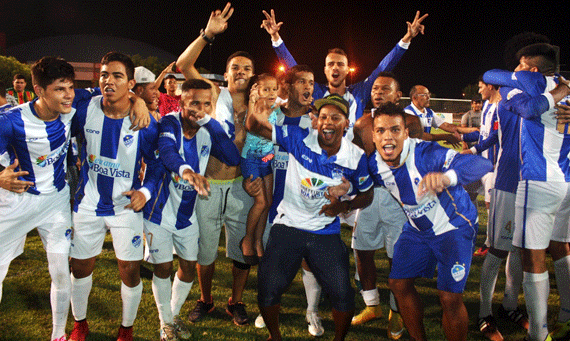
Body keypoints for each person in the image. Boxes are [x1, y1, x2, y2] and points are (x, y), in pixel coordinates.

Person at [247, 93, 374, 341]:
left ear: (346, 123)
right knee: (267, 289)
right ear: (316, 121)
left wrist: (342, 207)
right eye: (323, 116)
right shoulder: (297, 138)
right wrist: (264, 105)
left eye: (335, 117)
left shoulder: (355, 157)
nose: (328, 122)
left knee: (343, 295)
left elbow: (367, 195)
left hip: (324, 231)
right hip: (289, 225)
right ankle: (275, 336)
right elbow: (253, 125)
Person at [368, 102, 493, 341]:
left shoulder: (427, 153)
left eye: (395, 130)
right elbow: (358, 183)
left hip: (453, 227)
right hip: (417, 230)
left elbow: (483, 164)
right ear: (373, 135)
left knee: (448, 297)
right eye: (381, 130)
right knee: (398, 283)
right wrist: (345, 189)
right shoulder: (374, 163)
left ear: (406, 133)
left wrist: (447, 177)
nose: (388, 137)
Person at [68, 52, 160, 341]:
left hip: (125, 208)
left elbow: (157, 165)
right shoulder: (85, 106)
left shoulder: (144, 123)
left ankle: (126, 329)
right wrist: (138, 98)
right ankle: (80, 324)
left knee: (130, 271)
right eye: (105, 74)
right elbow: (63, 92)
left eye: (117, 76)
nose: (108, 80)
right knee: (80, 267)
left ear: (130, 83)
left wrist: (145, 192)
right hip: (88, 204)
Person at [483, 43, 570, 341]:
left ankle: (538, 332)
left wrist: (550, 93)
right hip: (566, 180)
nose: (513, 71)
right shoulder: (565, 85)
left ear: (531, 70)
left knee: (533, 257)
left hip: (537, 179)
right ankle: (567, 316)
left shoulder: (529, 83)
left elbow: (494, 76)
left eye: (519, 65)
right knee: (561, 247)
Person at [175, 3, 254, 326]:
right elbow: (183, 64)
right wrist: (208, 34)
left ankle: (235, 302)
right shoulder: (212, 93)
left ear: (252, 75)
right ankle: (205, 299)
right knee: (205, 252)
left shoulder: (261, 102)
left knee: (241, 252)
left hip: (241, 187)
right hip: (208, 185)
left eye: (247, 68)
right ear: (225, 74)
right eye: (235, 67)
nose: (240, 72)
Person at [143, 79, 240, 341]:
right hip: (158, 213)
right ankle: (166, 325)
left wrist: (211, 122)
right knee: (163, 269)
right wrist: (187, 171)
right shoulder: (170, 123)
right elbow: (167, 153)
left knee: (187, 266)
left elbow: (232, 157)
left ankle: (172, 317)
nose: (201, 108)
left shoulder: (209, 128)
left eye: (207, 103)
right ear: (182, 102)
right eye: (195, 102)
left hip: (187, 217)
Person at [261, 9, 428, 141]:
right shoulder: (317, 93)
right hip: (320, 158)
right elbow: (293, 69)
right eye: (331, 64)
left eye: (340, 64)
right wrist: (275, 37)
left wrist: (407, 38)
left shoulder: (359, 92)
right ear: (325, 70)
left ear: (347, 70)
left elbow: (384, 66)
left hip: (350, 163)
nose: (335, 68)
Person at [0, 56, 75, 341]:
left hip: (55, 202)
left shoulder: (71, 104)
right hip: (16, 203)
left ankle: (58, 336)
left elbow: (115, 93)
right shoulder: (10, 120)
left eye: (70, 87)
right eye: (59, 89)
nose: (68, 94)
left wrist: (140, 101)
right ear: (39, 90)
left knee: (60, 270)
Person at [349, 72, 422, 339]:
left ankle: (396, 310)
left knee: (398, 257)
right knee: (362, 250)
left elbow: (419, 161)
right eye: (375, 88)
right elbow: (358, 162)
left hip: (397, 197)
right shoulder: (361, 123)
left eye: (385, 89)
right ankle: (372, 305)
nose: (377, 92)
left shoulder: (412, 123)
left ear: (398, 94)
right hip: (369, 196)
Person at [240, 73, 279, 264]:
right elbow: (250, 125)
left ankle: (258, 241)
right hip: (251, 159)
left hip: (267, 159)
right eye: (266, 89)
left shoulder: (278, 108)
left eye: (274, 88)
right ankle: (247, 239)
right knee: (261, 202)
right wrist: (252, 100)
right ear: (256, 90)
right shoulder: (256, 107)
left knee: (268, 201)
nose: (271, 93)